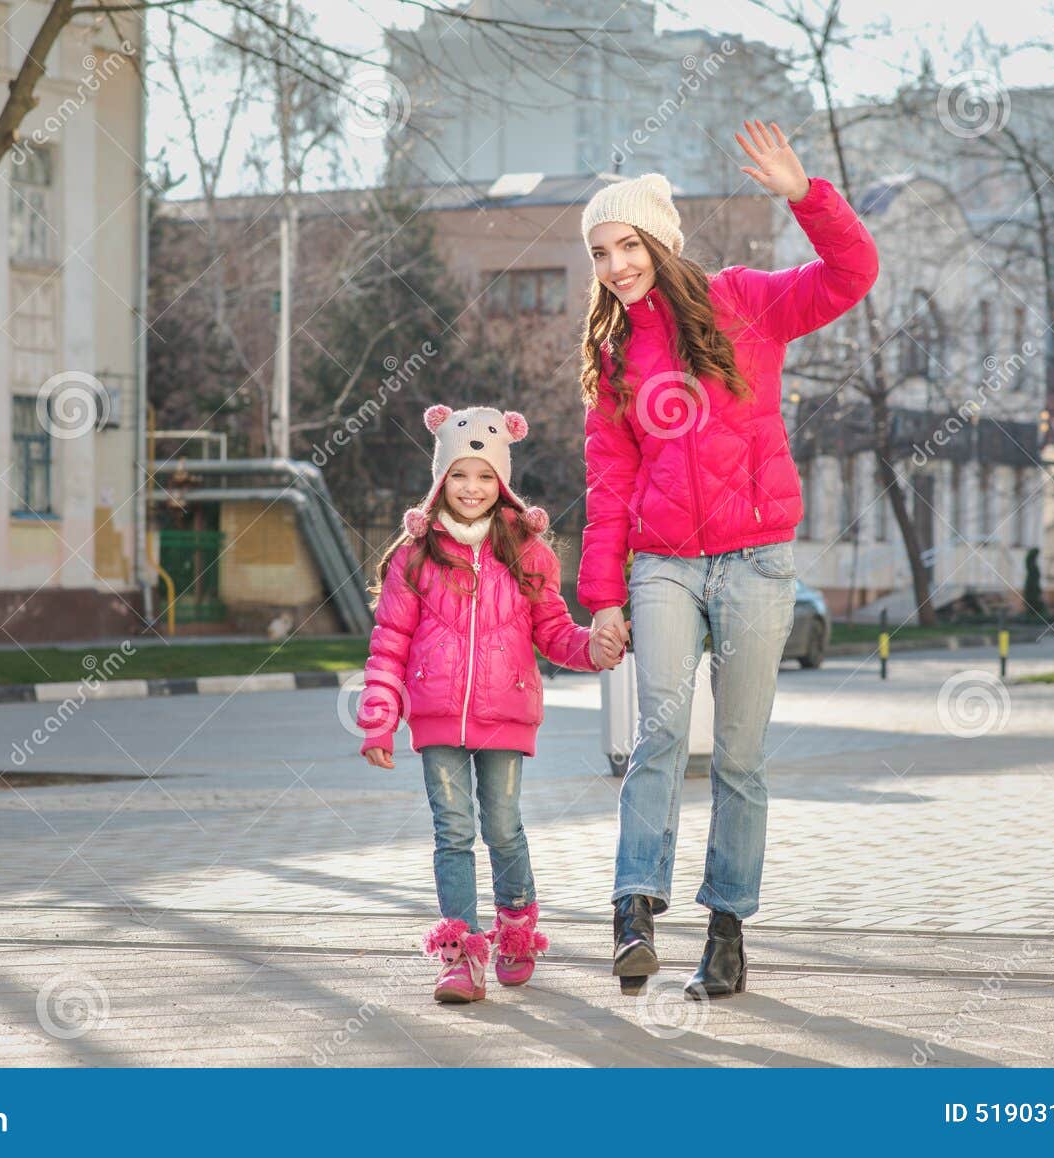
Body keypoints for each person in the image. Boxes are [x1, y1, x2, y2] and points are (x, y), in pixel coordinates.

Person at [578, 120, 879, 998]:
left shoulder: (745, 301)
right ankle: (633, 909)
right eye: (600, 253)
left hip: (755, 561)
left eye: (626, 245)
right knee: (659, 735)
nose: (615, 266)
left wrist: (805, 196)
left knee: (740, 757)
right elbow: (609, 484)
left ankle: (726, 932)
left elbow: (851, 276)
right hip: (663, 563)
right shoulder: (615, 354)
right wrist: (604, 596)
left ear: (660, 242)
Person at [358, 404, 624, 1004]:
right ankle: (459, 956)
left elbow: (554, 631)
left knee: (502, 829)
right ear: (439, 481)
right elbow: (389, 642)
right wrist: (379, 718)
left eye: (483, 476)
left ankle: (515, 926)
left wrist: (594, 649)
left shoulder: (526, 552)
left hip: (505, 715)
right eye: (458, 475)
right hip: (435, 718)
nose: (471, 488)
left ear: (501, 481)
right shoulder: (415, 555)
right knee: (452, 833)